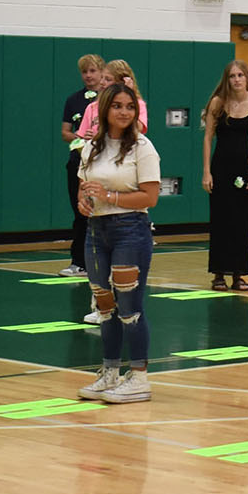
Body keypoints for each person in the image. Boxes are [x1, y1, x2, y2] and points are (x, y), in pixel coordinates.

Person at [75, 83, 162, 404]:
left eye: (129, 107)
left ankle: (138, 375)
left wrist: (110, 197)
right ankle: (110, 371)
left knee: (130, 307)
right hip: (96, 230)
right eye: (117, 106)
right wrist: (84, 202)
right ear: (105, 109)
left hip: (131, 229)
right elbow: (84, 188)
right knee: (104, 305)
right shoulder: (90, 148)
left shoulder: (143, 147)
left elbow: (150, 196)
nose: (124, 112)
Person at [77, 60, 150, 324]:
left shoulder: (138, 113)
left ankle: (131, 334)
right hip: (99, 208)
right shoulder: (92, 108)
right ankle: (100, 307)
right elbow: (83, 138)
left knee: (127, 290)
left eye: (110, 79)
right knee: (98, 275)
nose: (104, 83)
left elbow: (138, 129)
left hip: (127, 212)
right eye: (103, 79)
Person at [203, 59, 248, 290]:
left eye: (240, 75)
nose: (236, 80)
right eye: (232, 76)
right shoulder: (218, 103)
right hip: (221, 168)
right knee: (220, 221)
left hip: (246, 168)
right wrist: (206, 171)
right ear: (227, 80)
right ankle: (218, 273)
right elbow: (208, 138)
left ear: (247, 77)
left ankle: (239, 273)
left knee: (241, 222)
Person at [58, 54, 106, 278]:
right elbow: (65, 132)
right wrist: (78, 135)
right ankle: (78, 261)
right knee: (80, 211)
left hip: (103, 162)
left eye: (93, 71)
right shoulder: (73, 100)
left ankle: (102, 260)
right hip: (78, 161)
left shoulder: (109, 100)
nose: (88, 76)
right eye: (85, 72)